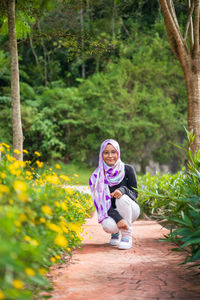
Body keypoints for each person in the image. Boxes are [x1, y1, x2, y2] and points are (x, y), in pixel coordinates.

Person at [89, 139, 140, 250]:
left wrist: (123, 190)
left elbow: (135, 194)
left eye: (113, 152)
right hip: (112, 212)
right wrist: (118, 218)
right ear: (101, 155)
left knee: (121, 199)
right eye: (106, 152)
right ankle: (115, 232)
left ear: (118, 153)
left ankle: (126, 236)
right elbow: (101, 203)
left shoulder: (128, 169)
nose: (110, 156)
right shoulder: (98, 176)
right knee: (107, 226)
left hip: (131, 209)